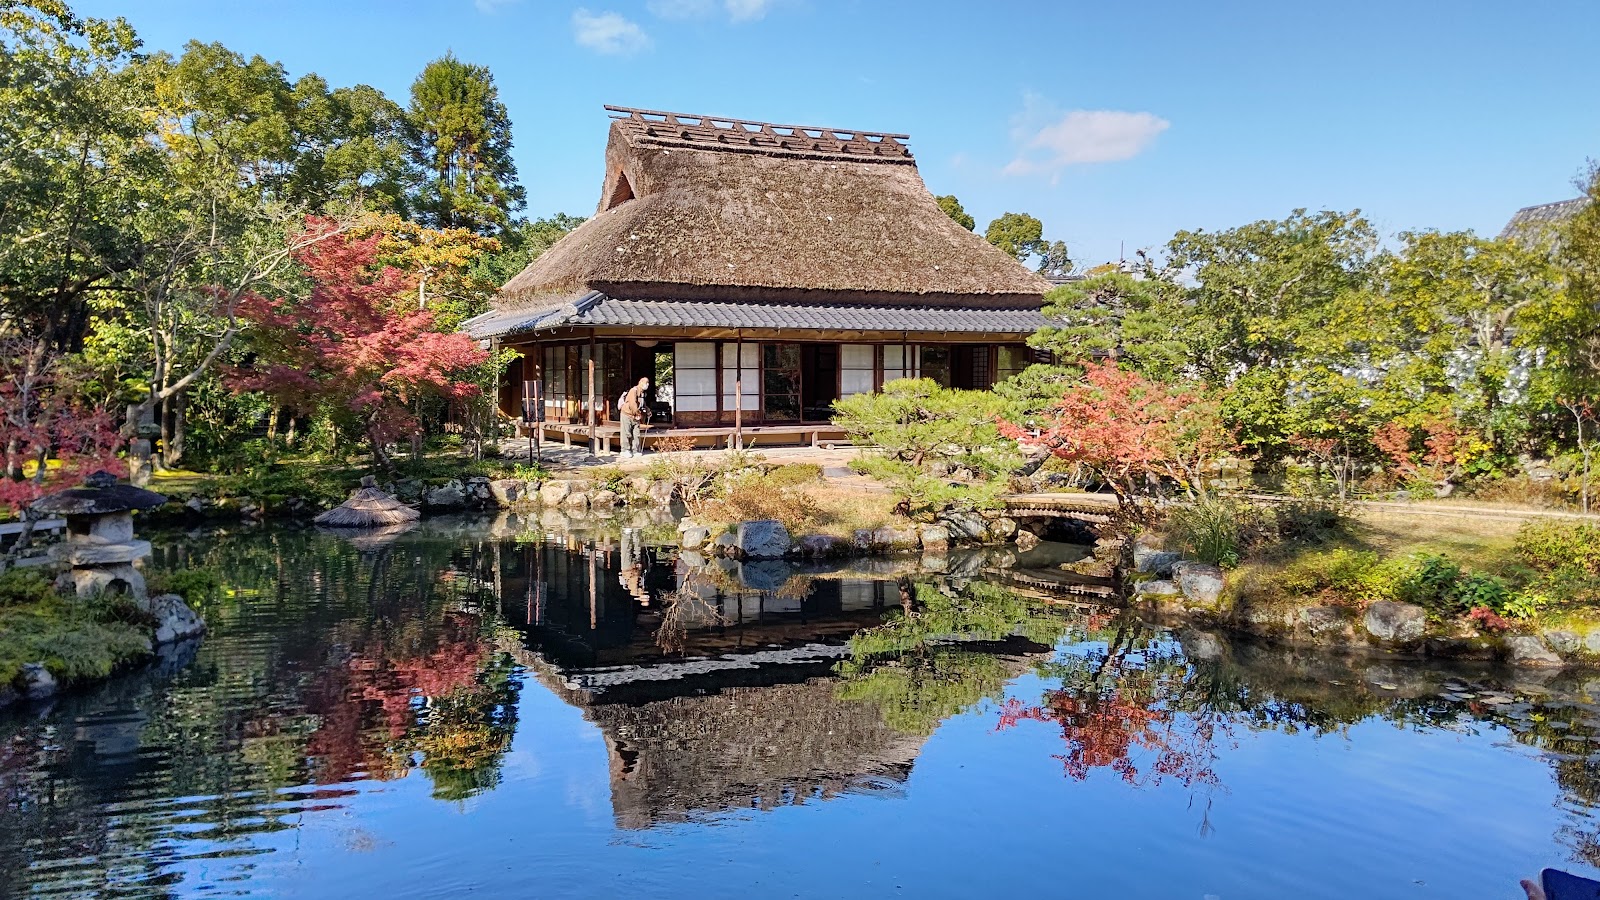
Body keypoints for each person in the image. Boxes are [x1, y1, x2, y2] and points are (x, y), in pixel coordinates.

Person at [619, 376, 649, 458]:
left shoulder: (642, 393)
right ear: (641, 383)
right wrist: (637, 413)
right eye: (646, 383)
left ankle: (636, 450)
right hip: (627, 414)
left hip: (636, 415)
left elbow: (642, 404)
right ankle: (625, 450)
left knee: (636, 434)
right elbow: (632, 403)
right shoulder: (634, 390)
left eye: (648, 383)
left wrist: (648, 411)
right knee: (626, 433)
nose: (647, 385)